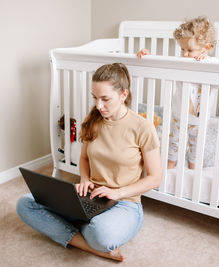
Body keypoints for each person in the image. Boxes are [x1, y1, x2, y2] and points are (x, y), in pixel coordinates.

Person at [16, 63, 162, 261]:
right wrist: (84, 179)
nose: (99, 105)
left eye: (105, 99)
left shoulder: (143, 127)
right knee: (26, 203)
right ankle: (88, 245)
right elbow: (84, 158)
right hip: (90, 197)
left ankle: (82, 231)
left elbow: (155, 178)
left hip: (124, 203)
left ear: (123, 94)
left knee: (101, 234)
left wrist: (116, 192)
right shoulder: (93, 121)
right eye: (95, 98)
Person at [136, 16, 217, 169]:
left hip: (200, 119)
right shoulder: (180, 64)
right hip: (179, 115)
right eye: (182, 49)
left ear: (207, 48)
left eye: (190, 50)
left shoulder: (212, 65)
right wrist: (147, 57)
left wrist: (207, 60)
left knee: (196, 146)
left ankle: (193, 169)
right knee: (174, 143)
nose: (185, 54)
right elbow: (161, 66)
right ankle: (169, 167)